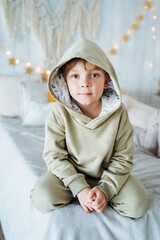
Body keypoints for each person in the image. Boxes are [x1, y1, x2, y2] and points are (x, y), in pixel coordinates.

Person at [31, 39, 152, 218]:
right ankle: (82, 194)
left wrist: (105, 190)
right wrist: (80, 189)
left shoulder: (118, 113)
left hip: (108, 175)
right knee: (43, 198)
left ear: (106, 81)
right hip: (68, 175)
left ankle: (99, 195)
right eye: (75, 76)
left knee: (138, 204)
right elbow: (54, 155)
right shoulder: (59, 111)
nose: (85, 83)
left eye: (94, 75)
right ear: (65, 81)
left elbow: (123, 156)